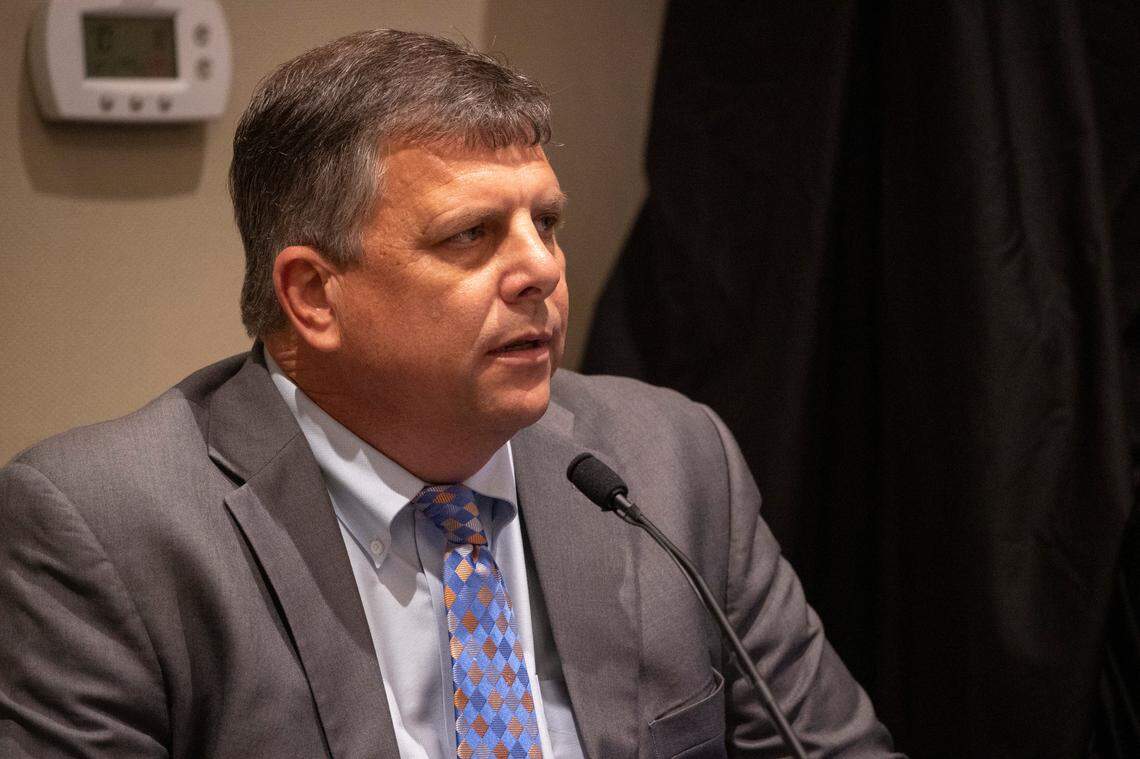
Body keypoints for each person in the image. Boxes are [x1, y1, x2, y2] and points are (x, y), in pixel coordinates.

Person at [0, 30, 900, 758]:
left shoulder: (670, 459)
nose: (541, 268)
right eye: (472, 234)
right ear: (314, 293)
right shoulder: (111, 528)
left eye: (546, 222)